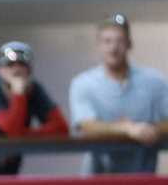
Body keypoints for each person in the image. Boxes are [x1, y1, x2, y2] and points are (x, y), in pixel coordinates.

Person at [68, 14, 168, 175]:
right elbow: (86, 126)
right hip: (97, 179)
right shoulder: (82, 83)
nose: (113, 48)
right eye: (107, 41)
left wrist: (150, 129)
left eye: (119, 41)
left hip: (143, 177)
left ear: (129, 44)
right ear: (98, 45)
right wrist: (128, 129)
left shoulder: (154, 82)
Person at [0, 41, 68, 176]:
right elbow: (12, 130)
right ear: (0, 71)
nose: (16, 69)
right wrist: (18, 93)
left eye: (22, 64)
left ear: (29, 70)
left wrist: (24, 134)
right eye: (10, 65)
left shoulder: (34, 90)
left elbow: (61, 128)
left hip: (8, 171)